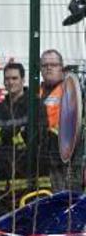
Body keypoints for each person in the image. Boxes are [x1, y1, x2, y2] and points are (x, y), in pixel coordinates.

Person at [0, 63, 49, 217]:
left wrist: (1, 136)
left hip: (32, 187)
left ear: (23, 80)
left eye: (14, 78)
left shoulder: (36, 105)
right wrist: (15, 132)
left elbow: (35, 137)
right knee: (6, 234)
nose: (10, 82)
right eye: (7, 79)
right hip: (4, 188)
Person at [38, 49, 83, 193]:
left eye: (53, 64)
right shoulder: (33, 93)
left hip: (66, 159)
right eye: (45, 65)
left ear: (61, 68)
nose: (49, 68)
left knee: (66, 200)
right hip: (40, 159)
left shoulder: (73, 91)